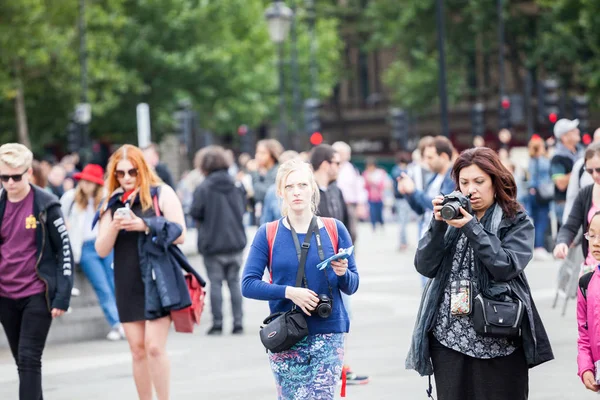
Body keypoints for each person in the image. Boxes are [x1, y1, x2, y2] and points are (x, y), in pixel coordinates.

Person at [405, 147, 553, 400]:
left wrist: (472, 227)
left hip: (500, 338)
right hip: (448, 338)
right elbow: (425, 266)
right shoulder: (451, 217)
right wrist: (437, 225)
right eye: (464, 183)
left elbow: (505, 265)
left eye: (479, 181)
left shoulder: (515, 220)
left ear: (495, 183)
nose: (470, 189)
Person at [242, 159, 360, 399]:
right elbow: (248, 284)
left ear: (313, 189)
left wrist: (341, 273)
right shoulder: (268, 233)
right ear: (280, 192)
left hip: (329, 329)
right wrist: (288, 292)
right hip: (287, 332)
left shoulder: (334, 229)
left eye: (303, 185)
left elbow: (353, 284)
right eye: (289, 187)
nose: (296, 192)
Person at [95, 144, 186, 400]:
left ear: (142, 170)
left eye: (132, 172)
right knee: (137, 349)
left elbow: (181, 233)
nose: (126, 178)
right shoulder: (111, 201)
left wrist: (144, 225)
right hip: (126, 278)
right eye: (120, 173)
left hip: (158, 277)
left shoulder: (160, 193)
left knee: (154, 347)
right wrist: (115, 225)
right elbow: (101, 249)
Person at [0, 143, 74, 400]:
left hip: (37, 292)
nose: (10, 183)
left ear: (29, 173)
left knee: (30, 358)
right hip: (5, 295)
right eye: (4, 177)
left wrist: (62, 294)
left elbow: (64, 250)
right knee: (22, 360)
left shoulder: (47, 205)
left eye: (16, 177)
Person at [310, 144, 369, 385]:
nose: (340, 167)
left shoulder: (335, 191)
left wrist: (348, 254)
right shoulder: (310, 193)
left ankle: (340, 366)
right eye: (337, 162)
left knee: (345, 316)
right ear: (325, 163)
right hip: (317, 271)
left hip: (340, 266)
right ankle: (329, 368)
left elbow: (345, 224)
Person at [60, 164, 124, 341]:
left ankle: (125, 321)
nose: (85, 185)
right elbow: (59, 216)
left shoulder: (105, 198)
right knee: (102, 286)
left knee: (115, 283)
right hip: (85, 248)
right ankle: (116, 323)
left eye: (89, 182)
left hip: (105, 243)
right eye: (83, 181)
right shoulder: (71, 198)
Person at [190, 146, 247, 335]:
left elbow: (195, 212)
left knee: (215, 284)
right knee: (234, 282)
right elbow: (243, 208)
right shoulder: (236, 185)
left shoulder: (203, 188)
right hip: (235, 241)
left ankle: (217, 323)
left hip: (212, 243)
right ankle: (238, 322)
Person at [554, 143, 600, 273]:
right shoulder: (585, 193)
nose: (595, 175)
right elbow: (570, 225)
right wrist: (562, 242)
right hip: (591, 268)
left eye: (599, 170)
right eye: (590, 171)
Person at [398, 135, 455, 239]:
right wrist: (407, 193)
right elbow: (421, 209)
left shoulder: (453, 177)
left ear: (444, 157)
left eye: (430, 157)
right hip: (427, 236)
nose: (426, 161)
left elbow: (441, 206)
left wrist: (414, 191)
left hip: (441, 240)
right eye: (425, 157)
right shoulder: (434, 178)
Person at [576, 210, 600, 393]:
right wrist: (585, 367)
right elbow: (584, 334)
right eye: (591, 235)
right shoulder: (586, 283)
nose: (596, 242)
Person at [332, 141, 368, 242]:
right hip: (335, 204)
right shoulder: (330, 167)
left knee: (351, 232)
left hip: (350, 204)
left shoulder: (352, 168)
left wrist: (361, 204)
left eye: (345, 153)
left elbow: (359, 187)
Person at [551, 118, 582, 227]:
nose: (578, 131)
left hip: (579, 202)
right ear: (564, 137)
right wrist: (579, 169)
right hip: (565, 204)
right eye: (573, 131)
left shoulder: (580, 152)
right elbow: (560, 184)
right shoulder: (558, 157)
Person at [526, 135, 553, 260]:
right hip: (542, 194)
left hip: (533, 193)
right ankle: (540, 247)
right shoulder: (543, 160)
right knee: (542, 221)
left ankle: (537, 246)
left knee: (536, 221)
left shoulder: (531, 161)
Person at [251, 139, 284, 221]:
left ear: (272, 155)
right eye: (257, 152)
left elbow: (261, 193)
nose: (258, 156)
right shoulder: (265, 172)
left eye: (263, 153)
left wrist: (254, 172)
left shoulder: (277, 171)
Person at [391, 151, 413, 251]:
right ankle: (403, 242)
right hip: (403, 198)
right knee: (403, 222)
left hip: (398, 198)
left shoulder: (395, 170)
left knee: (402, 221)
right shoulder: (403, 171)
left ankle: (403, 242)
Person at [362, 157, 387, 231]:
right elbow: (364, 186)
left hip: (379, 197)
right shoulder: (365, 174)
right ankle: (373, 227)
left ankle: (381, 224)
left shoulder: (380, 173)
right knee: (372, 213)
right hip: (370, 197)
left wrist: (373, 182)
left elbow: (382, 185)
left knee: (379, 213)